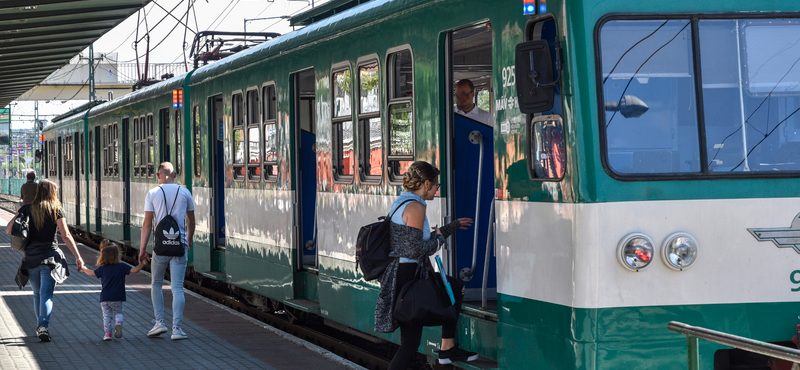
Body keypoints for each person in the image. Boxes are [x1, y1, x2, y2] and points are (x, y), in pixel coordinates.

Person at [374, 161, 478, 369]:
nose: (437, 190)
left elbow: (412, 242)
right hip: (408, 274)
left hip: (403, 272)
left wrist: (450, 228)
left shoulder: (402, 202)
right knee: (410, 344)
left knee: (453, 289)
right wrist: (439, 240)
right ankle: (447, 349)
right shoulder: (417, 206)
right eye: (437, 185)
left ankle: (448, 348)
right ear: (427, 184)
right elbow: (414, 250)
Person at [6, 179, 85, 342]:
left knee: (37, 294)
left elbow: (8, 229)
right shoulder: (56, 209)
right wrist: (78, 256)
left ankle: (40, 326)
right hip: (50, 258)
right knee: (47, 294)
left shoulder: (27, 208)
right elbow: (66, 235)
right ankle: (43, 326)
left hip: (31, 259)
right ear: (52, 193)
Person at [138, 162, 195, 340]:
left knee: (156, 283)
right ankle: (177, 329)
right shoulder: (185, 192)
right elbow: (191, 221)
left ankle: (159, 323)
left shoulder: (153, 193)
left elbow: (147, 224)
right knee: (177, 287)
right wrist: (189, 239)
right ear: (175, 174)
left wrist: (142, 249)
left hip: (160, 247)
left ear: (158, 175)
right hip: (179, 245)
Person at [80, 240, 146, 341]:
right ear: (117, 254)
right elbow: (135, 270)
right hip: (118, 297)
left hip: (105, 298)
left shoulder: (102, 268)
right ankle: (118, 323)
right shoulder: (122, 266)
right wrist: (143, 263)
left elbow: (92, 273)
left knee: (107, 316)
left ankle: (108, 334)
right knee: (118, 313)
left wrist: (83, 269)